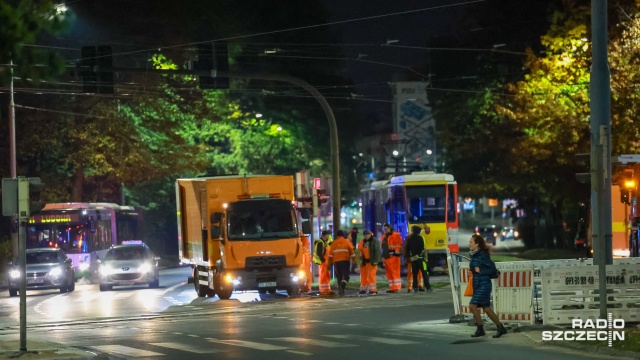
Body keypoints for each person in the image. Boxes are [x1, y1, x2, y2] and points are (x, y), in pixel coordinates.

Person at [468, 234, 507, 338]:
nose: (469, 244)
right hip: (477, 283)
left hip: (484, 284)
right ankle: (501, 328)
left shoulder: (482, 255)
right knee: (486, 308)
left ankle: (480, 328)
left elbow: (492, 269)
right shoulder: (474, 255)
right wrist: (472, 272)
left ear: (477, 244)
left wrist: (480, 271)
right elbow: (475, 268)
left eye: (471, 242)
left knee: (472, 306)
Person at [327, 230, 356, 296]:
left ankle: (341, 289)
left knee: (339, 276)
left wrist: (329, 264)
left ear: (337, 235)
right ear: (343, 235)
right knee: (346, 276)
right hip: (345, 261)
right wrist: (355, 261)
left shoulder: (334, 243)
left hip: (336, 262)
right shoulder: (346, 242)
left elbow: (330, 255)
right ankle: (342, 286)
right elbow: (352, 252)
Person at [404, 225, 431, 293]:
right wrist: (418, 255)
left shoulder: (409, 239)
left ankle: (415, 287)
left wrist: (410, 257)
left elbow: (407, 249)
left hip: (413, 260)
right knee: (425, 273)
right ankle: (428, 287)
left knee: (414, 274)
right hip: (421, 259)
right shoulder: (421, 238)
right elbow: (423, 248)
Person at [357, 230, 381, 295]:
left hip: (371, 261)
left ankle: (373, 290)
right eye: (364, 235)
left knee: (371, 275)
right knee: (364, 276)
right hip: (365, 262)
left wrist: (376, 261)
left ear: (370, 235)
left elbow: (377, 252)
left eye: (367, 235)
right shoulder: (363, 241)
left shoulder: (374, 241)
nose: (366, 236)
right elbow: (360, 248)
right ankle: (364, 289)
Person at [381, 223, 403, 293]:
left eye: (386, 229)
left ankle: (396, 287)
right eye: (384, 229)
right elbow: (383, 247)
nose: (385, 231)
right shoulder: (384, 236)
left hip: (393, 256)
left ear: (390, 228)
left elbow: (398, 245)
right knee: (389, 273)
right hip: (387, 257)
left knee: (394, 272)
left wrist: (396, 253)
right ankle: (392, 287)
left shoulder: (396, 235)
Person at [313, 230, 333, 295]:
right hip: (323, 263)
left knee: (326, 276)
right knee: (323, 276)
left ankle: (327, 289)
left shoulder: (323, 242)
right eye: (328, 235)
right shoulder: (320, 242)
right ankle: (323, 290)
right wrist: (324, 260)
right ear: (326, 235)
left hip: (325, 262)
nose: (329, 236)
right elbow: (319, 253)